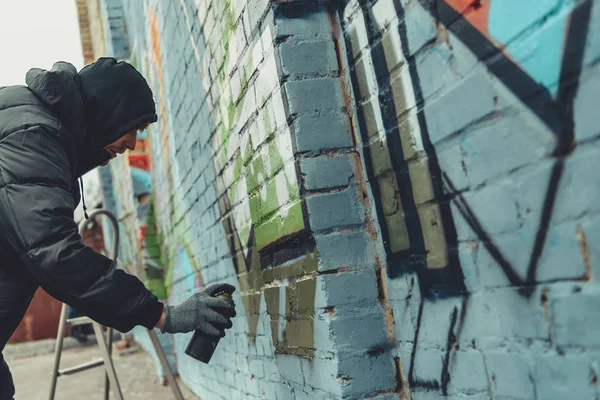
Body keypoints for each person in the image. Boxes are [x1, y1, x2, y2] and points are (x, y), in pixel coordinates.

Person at [0, 57, 236, 400]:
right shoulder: (32, 136)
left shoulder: (32, 125)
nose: (132, 143)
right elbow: (55, 254)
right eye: (133, 125)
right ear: (104, 109)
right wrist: (162, 315)